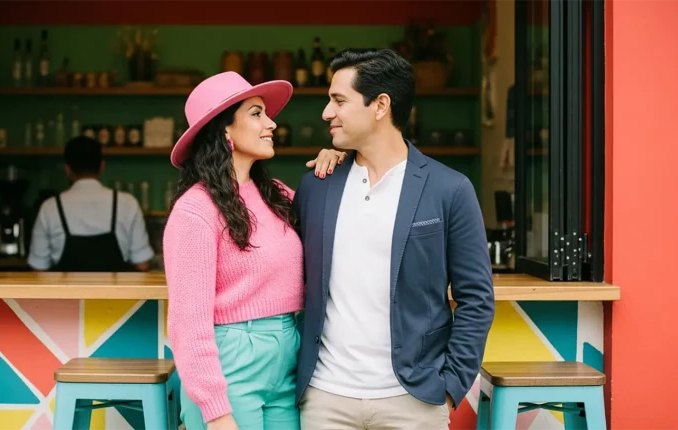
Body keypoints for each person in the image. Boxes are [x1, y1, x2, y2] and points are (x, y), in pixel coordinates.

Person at [293, 48, 495, 429]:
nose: (326, 112)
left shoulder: (449, 189)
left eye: (339, 100)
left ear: (380, 105)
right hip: (325, 398)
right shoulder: (315, 186)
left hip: (413, 399)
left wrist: (450, 386)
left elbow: (477, 298)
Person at [162, 71, 345, 430]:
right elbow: (187, 323)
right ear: (224, 130)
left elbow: (335, 222)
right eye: (257, 113)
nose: (272, 123)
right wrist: (215, 411)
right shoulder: (195, 210)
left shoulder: (276, 194)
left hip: (286, 356)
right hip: (230, 365)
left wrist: (340, 163)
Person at [28, 135, 154, 272]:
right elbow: (143, 264)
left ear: (67, 169)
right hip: (115, 294)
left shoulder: (50, 207)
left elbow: (38, 267)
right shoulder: (128, 203)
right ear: (102, 166)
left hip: (67, 294)